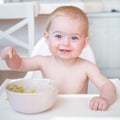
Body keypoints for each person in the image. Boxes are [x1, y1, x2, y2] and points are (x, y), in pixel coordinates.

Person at [0, 6, 117, 111]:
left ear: (85, 42)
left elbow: (107, 85)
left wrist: (105, 98)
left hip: (76, 112)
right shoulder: (43, 62)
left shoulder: (87, 67)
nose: (65, 43)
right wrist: (10, 57)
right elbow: (19, 64)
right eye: (59, 36)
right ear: (47, 38)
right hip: (48, 110)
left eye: (74, 38)